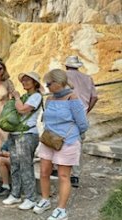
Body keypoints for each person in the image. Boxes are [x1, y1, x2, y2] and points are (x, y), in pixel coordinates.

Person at [33, 69, 88, 220]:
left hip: (67, 141)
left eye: (49, 84)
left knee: (64, 175)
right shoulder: (50, 99)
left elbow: (83, 124)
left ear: (58, 83)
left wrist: (70, 135)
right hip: (49, 139)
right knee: (44, 171)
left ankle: (61, 210)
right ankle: (45, 200)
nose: (47, 86)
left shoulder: (72, 98)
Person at [1, 72, 43, 210]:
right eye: (23, 80)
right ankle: (16, 194)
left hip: (27, 135)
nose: (24, 82)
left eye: (28, 80)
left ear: (35, 83)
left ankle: (31, 198)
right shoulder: (25, 96)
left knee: (25, 166)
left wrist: (17, 97)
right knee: (15, 165)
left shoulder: (36, 96)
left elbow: (22, 110)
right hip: (15, 134)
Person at [65, 55, 98, 188]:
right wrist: (86, 111)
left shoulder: (62, 76)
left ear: (66, 66)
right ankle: (75, 176)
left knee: (60, 142)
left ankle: (60, 170)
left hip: (66, 115)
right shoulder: (88, 78)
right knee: (77, 145)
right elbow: (95, 98)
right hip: (81, 116)